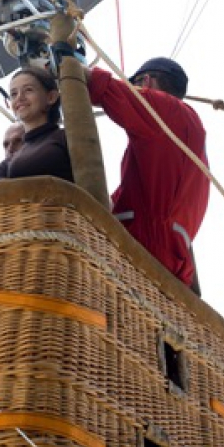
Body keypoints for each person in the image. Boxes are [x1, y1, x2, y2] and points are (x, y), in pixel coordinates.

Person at [85, 57, 208, 295]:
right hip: (172, 257)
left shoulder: (168, 111)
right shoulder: (182, 135)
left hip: (145, 246)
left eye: (135, 84)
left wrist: (66, 66)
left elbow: (103, 87)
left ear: (147, 81)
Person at [0, 67, 74, 182]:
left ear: (51, 97)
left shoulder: (67, 137)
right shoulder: (8, 163)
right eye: (13, 94)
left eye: (28, 90)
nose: (19, 97)